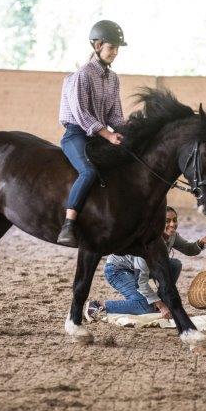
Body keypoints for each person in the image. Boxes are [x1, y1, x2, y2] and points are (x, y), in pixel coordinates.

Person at [57, 20, 127, 246]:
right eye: (111, 47)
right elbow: (81, 114)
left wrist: (128, 133)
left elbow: (115, 115)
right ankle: (68, 225)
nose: (115, 53)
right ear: (97, 45)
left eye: (117, 48)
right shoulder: (82, 75)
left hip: (98, 135)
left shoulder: (113, 78)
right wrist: (107, 135)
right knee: (87, 172)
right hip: (76, 134)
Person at [84, 206, 206, 321]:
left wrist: (201, 242)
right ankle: (97, 305)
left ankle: (159, 302)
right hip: (118, 271)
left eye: (175, 220)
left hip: (140, 269)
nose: (173, 224)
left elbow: (188, 248)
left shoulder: (172, 235)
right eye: (167, 221)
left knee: (174, 265)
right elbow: (141, 282)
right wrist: (161, 306)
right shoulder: (147, 243)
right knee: (143, 306)